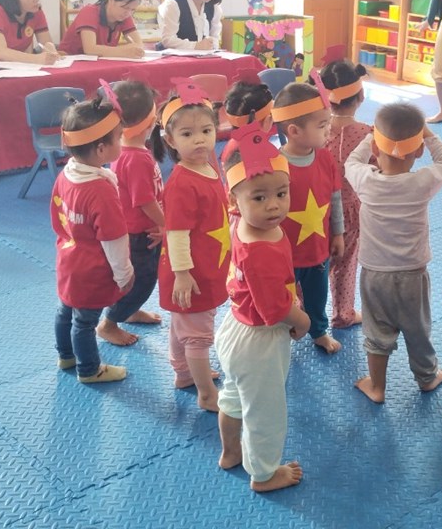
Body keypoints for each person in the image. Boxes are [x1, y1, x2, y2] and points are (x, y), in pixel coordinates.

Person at [216, 123, 309, 493]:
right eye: (259, 197)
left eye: (281, 193)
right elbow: (274, 309)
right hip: (260, 341)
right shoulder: (262, 250)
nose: (273, 205)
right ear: (234, 200)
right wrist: (302, 320)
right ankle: (265, 474)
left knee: (234, 397)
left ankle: (230, 453)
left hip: (235, 328)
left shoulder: (246, 226)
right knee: (266, 413)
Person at [344, 103, 442, 403]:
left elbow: (352, 160)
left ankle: (377, 387)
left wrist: (371, 137)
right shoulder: (421, 182)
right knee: (418, 329)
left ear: (375, 148)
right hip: (412, 274)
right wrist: (428, 134)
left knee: (376, 332)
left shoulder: (365, 180)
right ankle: (427, 378)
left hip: (374, 274)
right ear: (419, 151)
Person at [152, 81, 230, 411]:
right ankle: (206, 394)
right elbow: (177, 234)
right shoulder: (182, 183)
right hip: (191, 273)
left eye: (206, 131)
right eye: (187, 134)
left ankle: (184, 373)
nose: (199, 140)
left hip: (209, 265)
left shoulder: (209, 166)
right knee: (198, 335)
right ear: (170, 140)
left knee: (183, 324)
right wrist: (183, 274)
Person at [51, 93, 133, 384]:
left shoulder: (66, 174)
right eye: (119, 137)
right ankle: (89, 369)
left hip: (68, 260)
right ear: (100, 149)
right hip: (92, 271)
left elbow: (57, 217)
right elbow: (114, 239)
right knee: (85, 322)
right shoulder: (99, 190)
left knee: (65, 311)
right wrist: (124, 274)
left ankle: (66, 356)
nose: (122, 141)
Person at [273, 78, 345, 354]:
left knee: (317, 295)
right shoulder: (275, 165)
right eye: (322, 125)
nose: (330, 130)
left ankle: (319, 330)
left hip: (317, 249)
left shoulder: (325, 158)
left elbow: (335, 197)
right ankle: (281, 333)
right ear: (294, 131)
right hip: (284, 254)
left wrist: (338, 233)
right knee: (283, 299)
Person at [97, 80, 165, 347]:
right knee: (142, 280)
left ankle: (129, 311)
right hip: (140, 234)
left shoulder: (129, 150)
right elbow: (145, 201)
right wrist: (166, 224)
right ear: (151, 122)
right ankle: (109, 323)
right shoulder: (136, 158)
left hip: (141, 230)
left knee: (138, 280)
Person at [320, 58, 372, 329]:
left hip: (314, 208)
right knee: (345, 263)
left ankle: (301, 309)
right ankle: (342, 313)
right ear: (360, 96)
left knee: (312, 262)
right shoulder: (368, 134)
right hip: (350, 210)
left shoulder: (314, 131)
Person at [57, 0, 145, 58]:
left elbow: (139, 44)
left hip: (99, 62)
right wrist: (124, 51)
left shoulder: (124, 15)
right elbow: (90, 49)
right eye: (125, 7)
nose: (128, 13)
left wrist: (136, 49)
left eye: (133, 10)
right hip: (70, 59)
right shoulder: (89, 12)